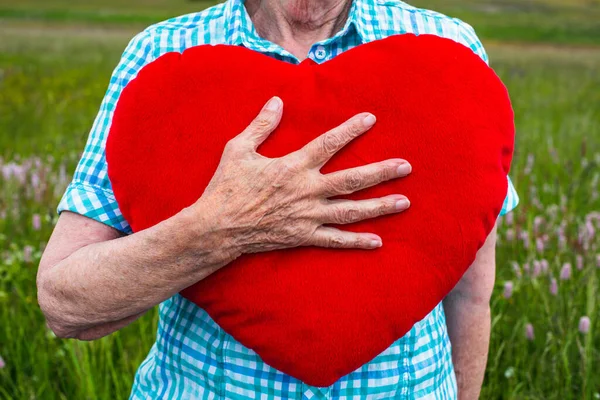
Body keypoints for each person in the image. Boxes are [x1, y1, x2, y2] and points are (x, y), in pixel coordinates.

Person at [37, 0, 519, 398]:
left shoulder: (448, 51)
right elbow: (65, 303)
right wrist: (220, 227)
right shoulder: (163, 54)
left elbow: (471, 294)